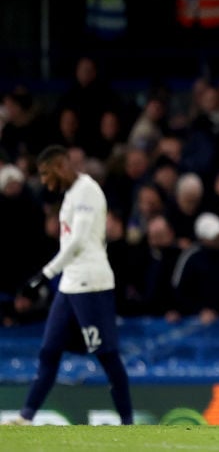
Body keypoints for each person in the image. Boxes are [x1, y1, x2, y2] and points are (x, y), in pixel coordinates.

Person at [4, 145, 134, 426]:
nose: (45, 181)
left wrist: (45, 274)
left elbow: (78, 241)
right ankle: (26, 417)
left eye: (46, 174)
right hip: (71, 283)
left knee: (107, 355)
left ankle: (128, 423)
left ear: (61, 166)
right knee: (49, 350)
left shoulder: (87, 190)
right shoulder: (71, 195)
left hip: (91, 283)